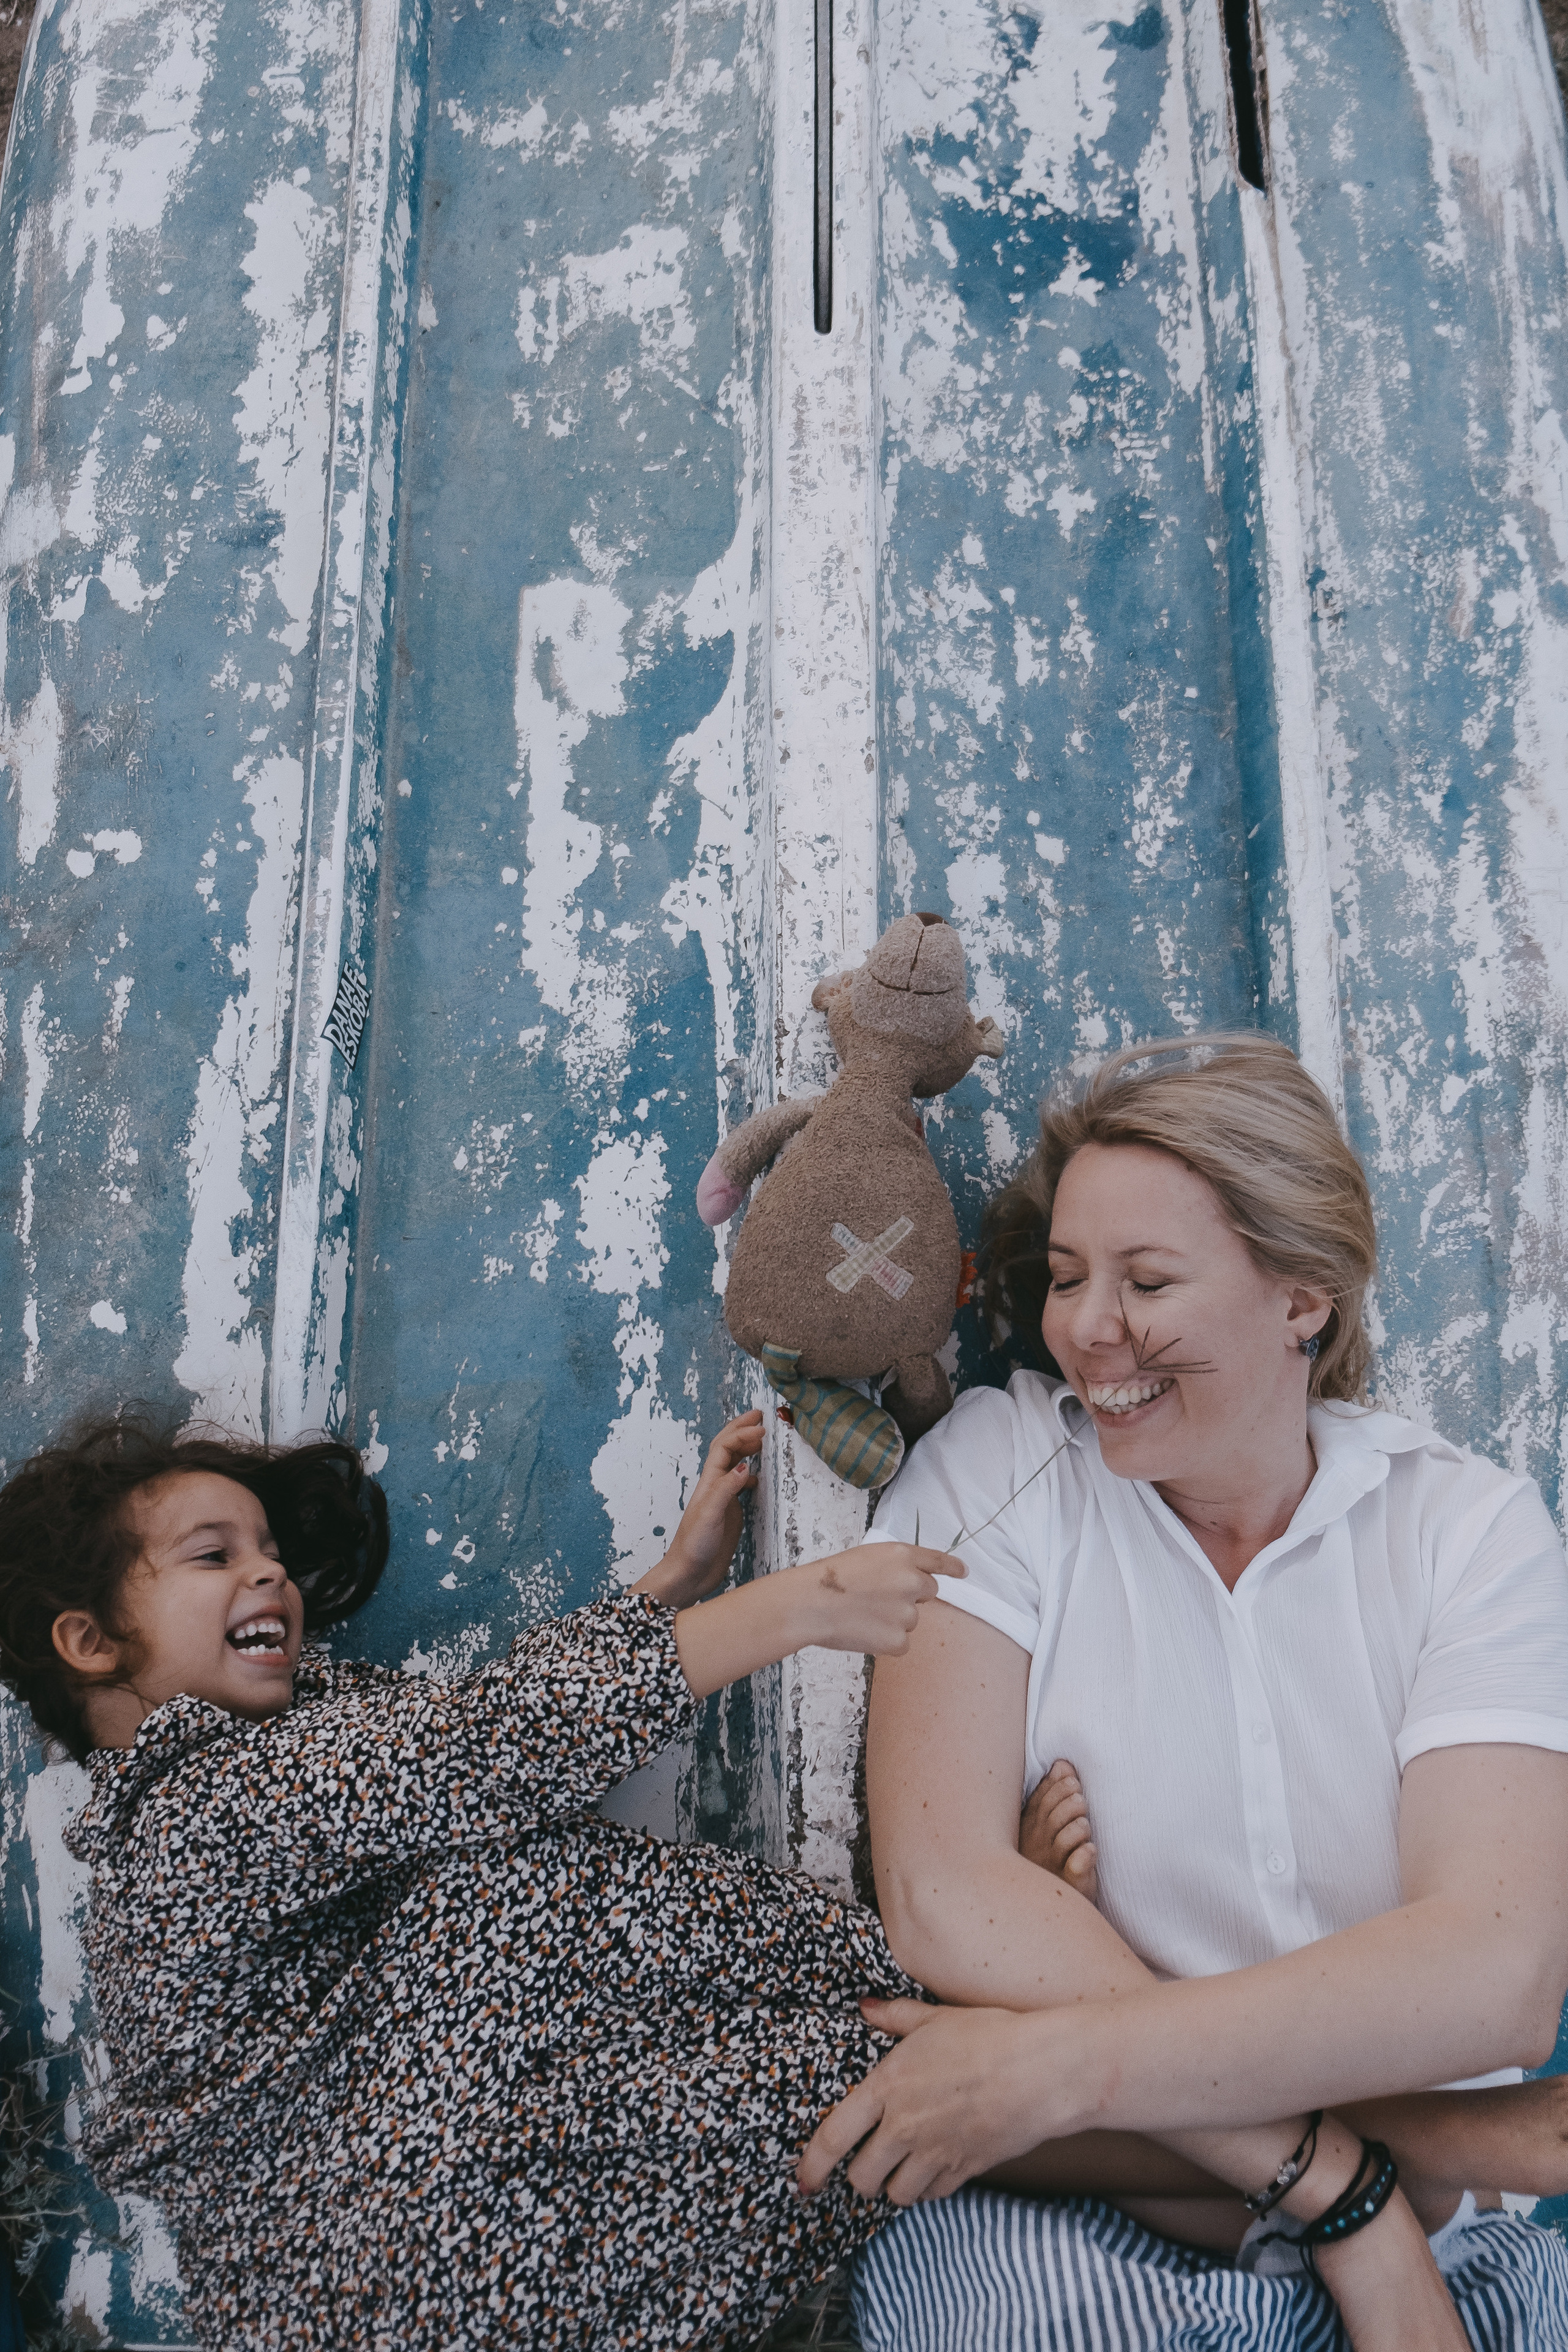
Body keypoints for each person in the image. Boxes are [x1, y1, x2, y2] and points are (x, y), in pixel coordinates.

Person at [798, 1031, 1568, 2351]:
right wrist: (1350, 2182)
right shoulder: (997, 1474)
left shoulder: (1464, 1530)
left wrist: (1065, 2066)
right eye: (1063, 1278)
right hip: (1070, 2233)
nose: (1087, 1330)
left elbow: (1489, 1972)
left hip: (1447, 2238)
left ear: (1300, 1298)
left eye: (1146, 1279)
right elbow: (944, 1895)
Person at [0, 1407, 963, 2351]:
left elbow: (471, 1745)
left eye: (270, 1552)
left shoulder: (294, 1745)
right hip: (371, 2276)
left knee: (492, 1873)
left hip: (436, 2240)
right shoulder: (189, 1819)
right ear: (90, 1644)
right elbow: (487, 1748)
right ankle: (936, 2010)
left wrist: (667, 1590)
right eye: (214, 1556)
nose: (269, 1571)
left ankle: (932, 2013)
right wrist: (801, 1604)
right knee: (496, 1888)